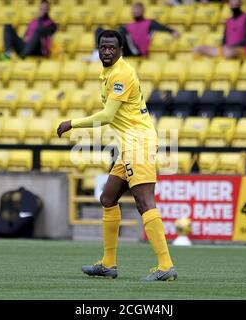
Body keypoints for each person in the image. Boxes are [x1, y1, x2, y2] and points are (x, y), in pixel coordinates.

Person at [57, 30, 177, 281]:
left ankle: (165, 266)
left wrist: (73, 123)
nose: (107, 51)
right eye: (103, 47)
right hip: (129, 145)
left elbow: (107, 116)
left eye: (112, 47)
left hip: (139, 143)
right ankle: (108, 264)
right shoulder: (108, 73)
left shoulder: (121, 73)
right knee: (108, 197)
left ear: (121, 49)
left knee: (144, 201)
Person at [84, 2, 179, 61]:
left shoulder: (149, 23)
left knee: (121, 30)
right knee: (99, 30)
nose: (135, 12)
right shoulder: (129, 25)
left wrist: (172, 31)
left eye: (137, 10)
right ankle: (97, 54)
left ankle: (115, 54)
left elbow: (161, 27)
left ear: (142, 11)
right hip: (126, 47)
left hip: (136, 51)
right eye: (133, 10)